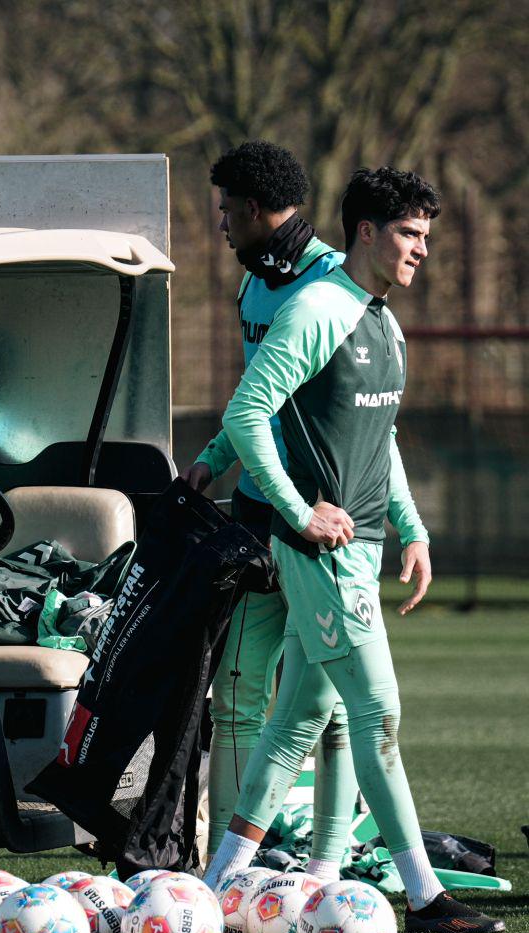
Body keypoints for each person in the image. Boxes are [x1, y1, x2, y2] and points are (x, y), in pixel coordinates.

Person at [202, 167, 504, 933]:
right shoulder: (316, 308)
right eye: (409, 234)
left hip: (364, 547)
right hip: (327, 555)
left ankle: (221, 884)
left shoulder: (383, 320)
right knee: (378, 712)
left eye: (428, 237)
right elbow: (246, 413)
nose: (422, 250)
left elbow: (383, 441)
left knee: (299, 719)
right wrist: (300, 514)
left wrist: (415, 529)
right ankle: (425, 896)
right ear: (366, 232)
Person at [184, 140, 357, 881]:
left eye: (227, 211)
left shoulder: (336, 286)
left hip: (329, 526)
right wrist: (213, 461)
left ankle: (328, 867)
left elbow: (372, 422)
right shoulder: (254, 288)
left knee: (339, 707)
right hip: (259, 519)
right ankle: (233, 863)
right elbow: (256, 398)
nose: (221, 226)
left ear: (255, 210)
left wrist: (406, 526)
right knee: (239, 696)